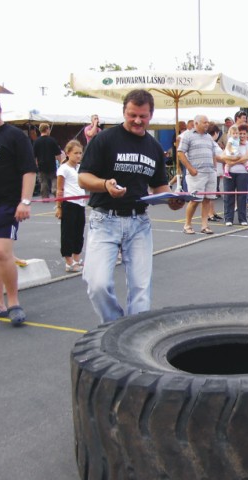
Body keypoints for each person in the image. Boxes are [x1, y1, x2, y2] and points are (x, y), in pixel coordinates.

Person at [78, 89, 185, 323]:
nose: (137, 120)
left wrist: (173, 200)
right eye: (132, 115)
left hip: (139, 223)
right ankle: (115, 325)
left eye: (143, 116)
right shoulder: (105, 139)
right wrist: (105, 185)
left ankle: (134, 333)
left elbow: (159, 186)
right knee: (97, 285)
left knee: (141, 290)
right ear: (124, 112)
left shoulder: (154, 147)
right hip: (104, 219)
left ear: (151, 115)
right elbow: (83, 178)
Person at [0, 98, 37, 325]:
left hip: (7, 203)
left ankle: (13, 303)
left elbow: (29, 170)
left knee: (2, 252)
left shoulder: (14, 136)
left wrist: (25, 201)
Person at [178, 115, 221, 235]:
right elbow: (180, 153)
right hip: (197, 174)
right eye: (204, 122)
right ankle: (187, 225)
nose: (207, 124)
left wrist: (214, 169)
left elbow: (213, 154)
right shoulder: (188, 135)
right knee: (195, 200)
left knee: (207, 200)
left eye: (207, 122)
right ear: (196, 123)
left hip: (210, 172)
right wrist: (190, 168)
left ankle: (204, 225)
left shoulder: (208, 137)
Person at [56, 140, 86, 272]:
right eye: (76, 153)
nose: (78, 156)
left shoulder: (80, 168)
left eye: (80, 153)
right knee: (68, 233)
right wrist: (59, 207)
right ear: (68, 153)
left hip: (80, 204)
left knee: (79, 232)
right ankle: (68, 261)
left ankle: (77, 258)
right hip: (69, 204)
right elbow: (59, 189)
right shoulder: (63, 169)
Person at [219, 123, 248, 226]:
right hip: (230, 172)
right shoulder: (232, 142)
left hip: (243, 173)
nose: (242, 135)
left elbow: (247, 157)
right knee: (228, 195)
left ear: (247, 134)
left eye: (244, 133)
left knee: (242, 196)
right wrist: (231, 159)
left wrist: (232, 162)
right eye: (240, 133)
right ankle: (228, 218)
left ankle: (242, 219)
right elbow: (223, 156)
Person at [33, 123, 62, 199]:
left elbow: (34, 155)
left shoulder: (36, 141)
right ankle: (54, 190)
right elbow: (58, 154)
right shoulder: (52, 140)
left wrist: (36, 164)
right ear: (46, 129)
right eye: (49, 129)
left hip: (41, 165)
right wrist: (60, 163)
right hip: (51, 163)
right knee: (54, 179)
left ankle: (45, 197)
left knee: (43, 181)